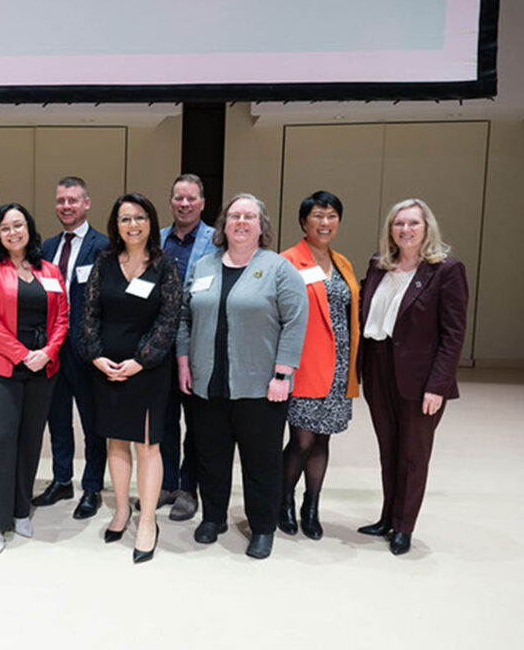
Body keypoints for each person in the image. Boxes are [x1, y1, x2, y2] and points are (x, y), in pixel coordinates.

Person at [177, 193, 308, 559]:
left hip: (260, 387)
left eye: (250, 216)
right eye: (235, 216)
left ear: (261, 225)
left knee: (260, 461)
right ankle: (213, 517)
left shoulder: (279, 268)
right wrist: (184, 361)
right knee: (210, 455)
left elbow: (296, 322)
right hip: (207, 384)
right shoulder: (204, 266)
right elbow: (185, 318)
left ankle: (262, 527)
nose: (241, 222)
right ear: (224, 224)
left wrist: (283, 374)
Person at [357, 198, 468, 556]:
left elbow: (453, 335)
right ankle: (388, 517)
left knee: (413, 455)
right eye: (398, 224)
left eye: (412, 224)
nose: (405, 230)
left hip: (420, 378)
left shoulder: (446, 270)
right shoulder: (379, 266)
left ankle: (404, 527)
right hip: (378, 368)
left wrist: (438, 385)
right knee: (388, 450)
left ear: (427, 228)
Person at [78, 193, 181, 563]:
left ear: (151, 222)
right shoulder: (103, 262)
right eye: (125, 219)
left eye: (139, 217)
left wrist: (141, 360)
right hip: (107, 368)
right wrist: (97, 357)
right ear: (115, 225)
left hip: (148, 370)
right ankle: (122, 510)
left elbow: (169, 320)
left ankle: (149, 520)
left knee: (148, 445)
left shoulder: (165, 266)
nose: (132, 224)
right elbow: (88, 314)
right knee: (116, 442)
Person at [0, 203, 69, 553]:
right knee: (0, 438)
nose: (13, 232)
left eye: (19, 225)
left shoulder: (50, 270)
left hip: (43, 368)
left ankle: (20, 508)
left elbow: (62, 318)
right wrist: (22, 354)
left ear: (29, 228)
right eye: (5, 227)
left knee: (30, 439)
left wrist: (48, 353)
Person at [278, 191, 360, 540]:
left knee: (323, 440)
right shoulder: (287, 261)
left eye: (331, 216)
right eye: (317, 216)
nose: (325, 223)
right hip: (305, 365)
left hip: (340, 367)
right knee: (301, 440)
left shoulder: (343, 263)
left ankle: (311, 505)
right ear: (303, 221)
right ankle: (283, 499)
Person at [33, 176, 109, 519]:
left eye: (73, 200)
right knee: (57, 419)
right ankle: (62, 479)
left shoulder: (104, 246)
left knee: (93, 423)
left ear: (87, 203)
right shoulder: (46, 247)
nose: (66, 206)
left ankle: (92, 486)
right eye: (61, 200)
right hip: (52, 351)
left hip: (87, 352)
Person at [158, 173, 219, 522]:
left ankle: (188, 487)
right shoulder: (159, 239)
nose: (184, 204)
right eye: (178, 198)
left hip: (198, 345)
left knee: (196, 423)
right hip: (159, 348)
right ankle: (166, 483)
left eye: (191, 198)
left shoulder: (217, 241)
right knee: (163, 421)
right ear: (171, 202)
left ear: (202, 203)